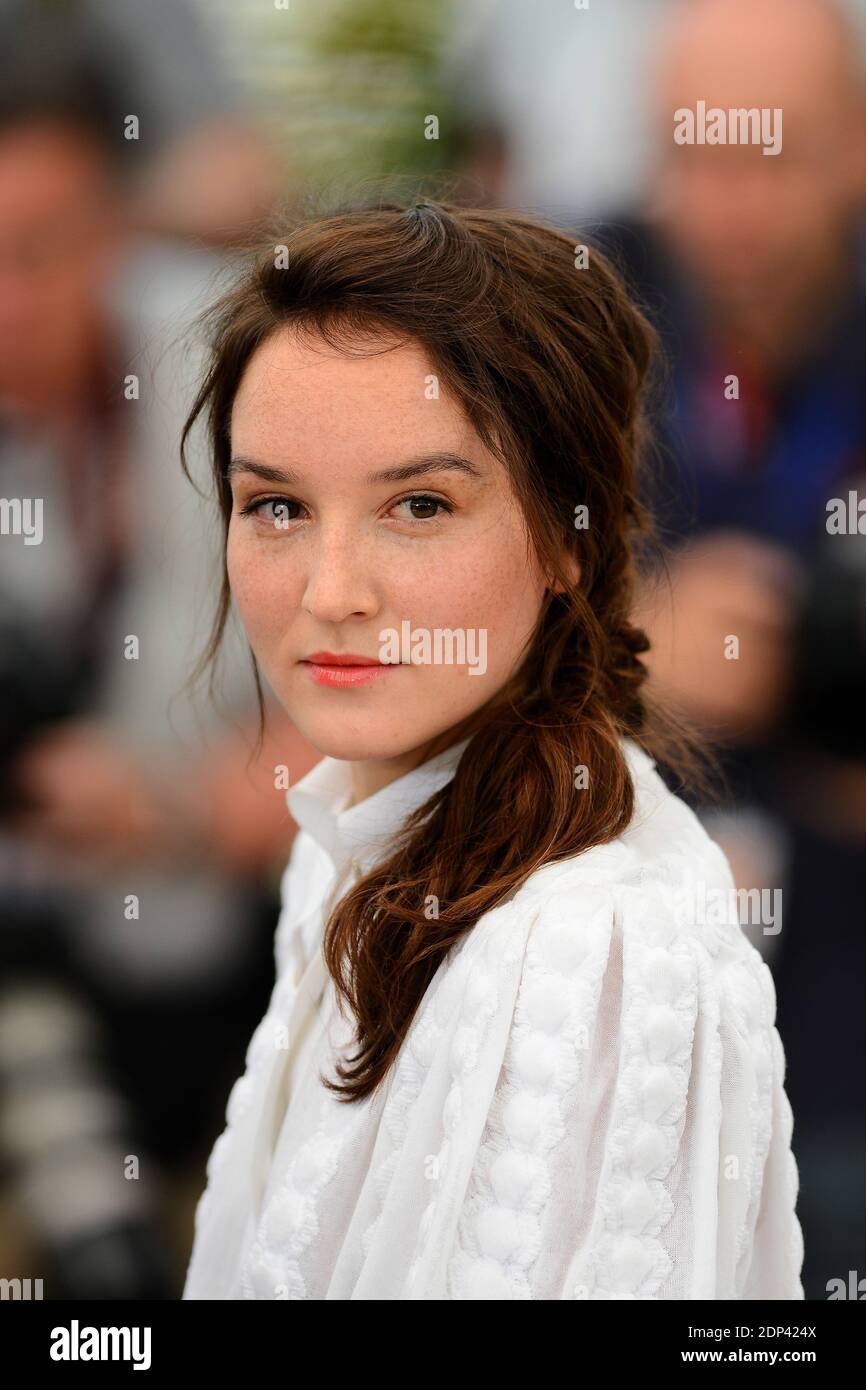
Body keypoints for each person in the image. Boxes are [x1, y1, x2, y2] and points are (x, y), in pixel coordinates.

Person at [181, 199, 804, 1300]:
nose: (331, 593)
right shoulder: (344, 842)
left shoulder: (590, 948)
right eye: (275, 506)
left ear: (569, 538)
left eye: (416, 504)